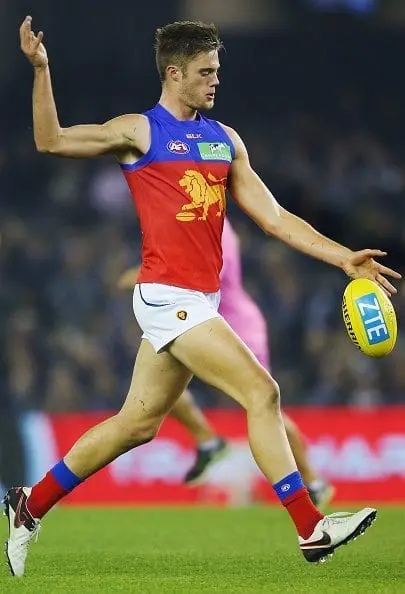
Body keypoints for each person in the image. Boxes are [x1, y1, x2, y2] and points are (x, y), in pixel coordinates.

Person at [6, 16, 400, 577]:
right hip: (168, 296)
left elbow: (275, 216)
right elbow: (51, 140)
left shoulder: (224, 140)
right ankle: (311, 526)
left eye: (218, 70)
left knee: (136, 425)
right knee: (262, 393)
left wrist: (341, 256)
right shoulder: (139, 132)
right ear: (174, 72)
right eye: (206, 72)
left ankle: (29, 504)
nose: (216, 81)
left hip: (201, 300)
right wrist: (42, 71)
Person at [118, 217, 333, 507]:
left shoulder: (212, 225)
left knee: (263, 401)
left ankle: (313, 481)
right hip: (196, 321)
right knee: (159, 385)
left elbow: (206, 272)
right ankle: (207, 440)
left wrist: (143, 275)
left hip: (234, 324)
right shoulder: (203, 220)